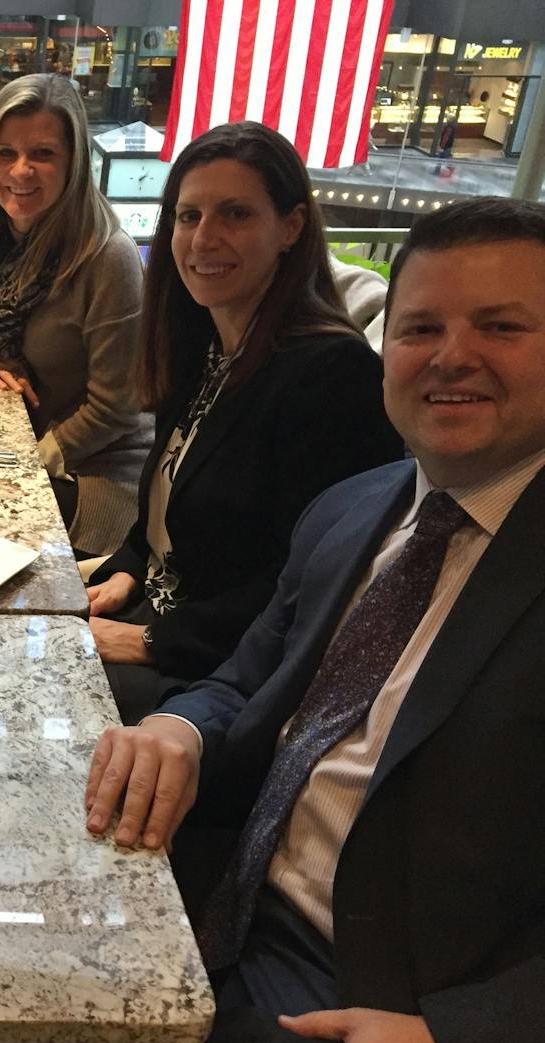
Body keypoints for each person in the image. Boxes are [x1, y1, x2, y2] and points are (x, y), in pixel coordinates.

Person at [84, 196, 545, 1043]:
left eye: (502, 326)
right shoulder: (357, 507)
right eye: (419, 329)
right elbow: (242, 677)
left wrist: (459, 1040)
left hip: (379, 996)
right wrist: (178, 728)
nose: (452, 356)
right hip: (224, 882)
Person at [84, 122, 401, 723]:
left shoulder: (333, 375)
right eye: (188, 216)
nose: (203, 239)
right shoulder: (203, 341)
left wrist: (153, 642)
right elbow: (164, 504)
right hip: (154, 617)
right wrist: (127, 569)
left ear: (291, 227)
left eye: (234, 214)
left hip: (221, 677)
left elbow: (311, 582)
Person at [0, 74, 151, 558]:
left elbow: (114, 411)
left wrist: (25, 461)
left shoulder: (108, 257)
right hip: (9, 434)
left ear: (73, 164)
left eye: (42, 154)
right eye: (5, 153)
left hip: (88, 472)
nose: (21, 171)